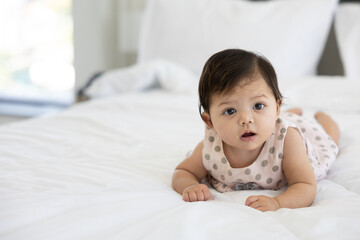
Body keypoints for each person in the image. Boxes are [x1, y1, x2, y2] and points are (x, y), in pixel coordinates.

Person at [171, 49, 340, 212]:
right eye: (230, 111)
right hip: (269, 122)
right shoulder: (211, 147)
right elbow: (183, 172)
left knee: (326, 139)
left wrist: (277, 203)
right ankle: (289, 113)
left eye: (258, 105)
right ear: (210, 122)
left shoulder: (288, 140)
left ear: (276, 107)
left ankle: (323, 119)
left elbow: (305, 186)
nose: (246, 119)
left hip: (297, 140)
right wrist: (191, 186)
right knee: (269, 120)